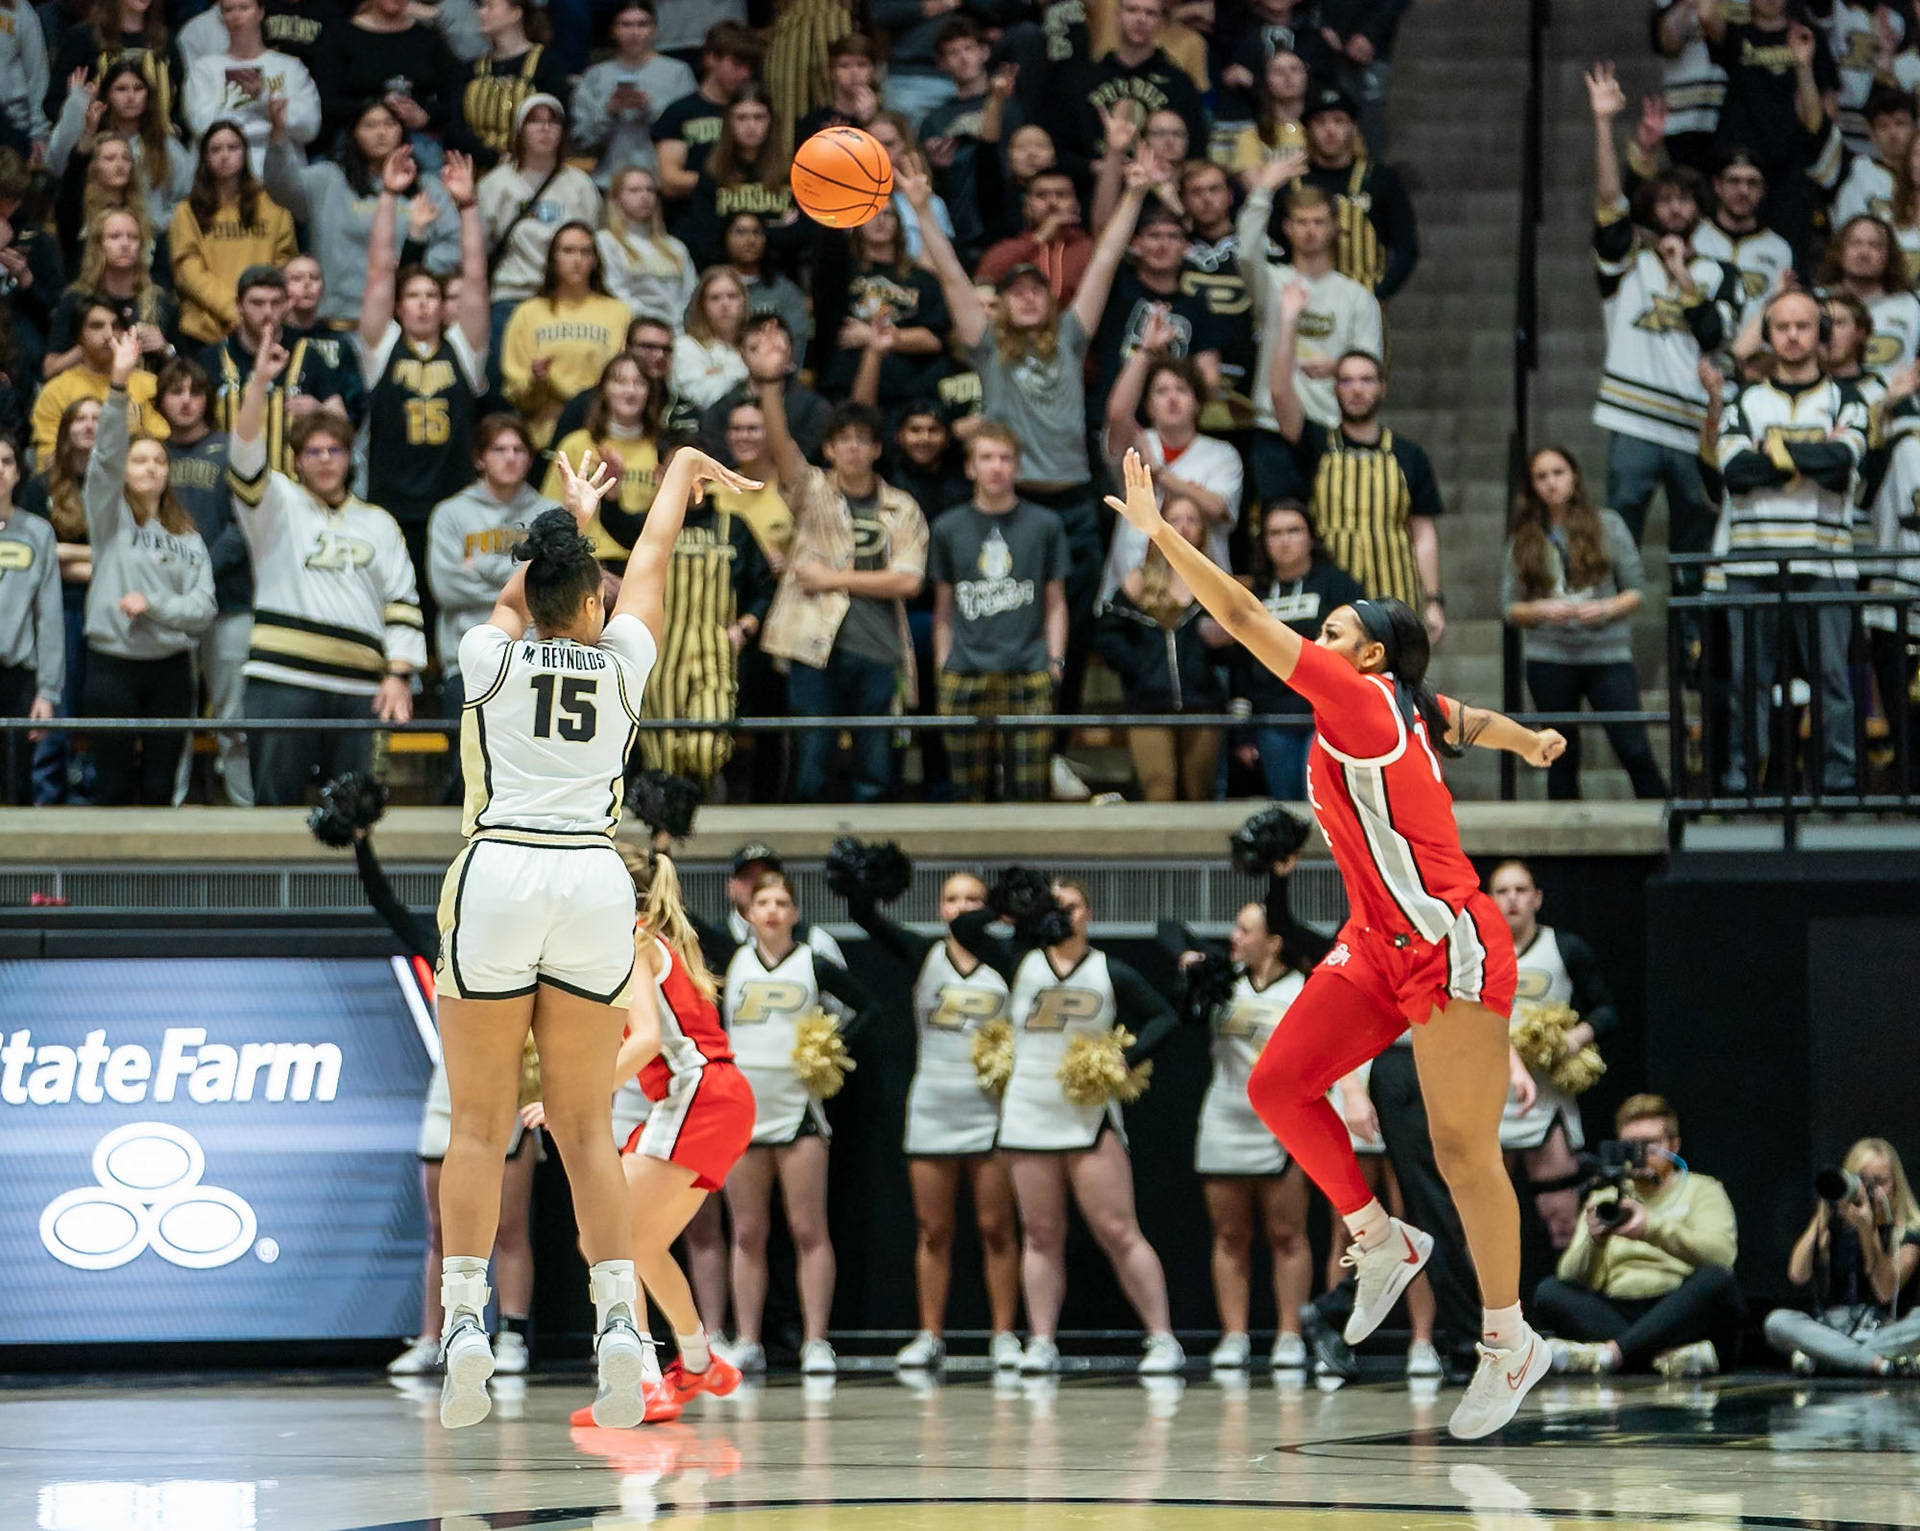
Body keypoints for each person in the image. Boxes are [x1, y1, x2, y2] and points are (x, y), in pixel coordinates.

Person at [1106, 447, 1568, 1438]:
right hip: (1375, 941)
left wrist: (1161, 536)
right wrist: (1525, 741)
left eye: (1332, 629)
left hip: (1450, 941)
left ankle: (1508, 1336)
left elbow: (1237, 617)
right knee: (1277, 1084)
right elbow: (1461, 714)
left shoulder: (1359, 701)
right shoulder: (1403, 702)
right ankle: (1378, 1236)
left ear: (1366, 657)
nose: (1313, 637)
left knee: (1459, 1147)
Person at [431, 441, 757, 1429]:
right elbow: (652, 558)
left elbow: (511, 599)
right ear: (592, 606)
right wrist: (681, 471)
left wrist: (561, 527)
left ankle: (463, 1327)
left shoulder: (491, 656)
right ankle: (621, 1319)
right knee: (584, 1127)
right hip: (589, 876)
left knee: (481, 1126)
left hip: (498, 871)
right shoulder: (623, 667)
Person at [907, 151, 1148, 706]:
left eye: (1038, 290)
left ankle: (1056, 737)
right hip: (1013, 506)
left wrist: (1133, 194)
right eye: (1017, 291)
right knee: (1011, 621)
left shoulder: (1070, 337)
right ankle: (1004, 728)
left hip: (1074, 503)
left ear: (1050, 298)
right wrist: (922, 208)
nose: (1029, 296)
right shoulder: (987, 346)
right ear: (1005, 303)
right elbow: (950, 276)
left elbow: (1106, 261)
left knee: (1075, 629)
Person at [952, 874, 1182, 1375]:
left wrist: (1128, 1057)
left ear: (1089, 914)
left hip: (1087, 1115)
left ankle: (1162, 1338)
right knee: (1039, 1234)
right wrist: (1010, 905)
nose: (1066, 914)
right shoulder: (1019, 961)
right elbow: (966, 931)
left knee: (1119, 1230)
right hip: (1028, 1111)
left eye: (1074, 906)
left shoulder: (1109, 970)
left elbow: (1163, 1015)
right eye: (1056, 907)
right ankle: (1041, 1342)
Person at [350, 819, 541, 1386]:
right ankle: (435, 1339)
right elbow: (386, 905)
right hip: (447, 1098)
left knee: (508, 1229)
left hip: (507, 1096)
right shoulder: (440, 950)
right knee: (440, 1231)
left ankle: (512, 1336)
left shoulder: (530, 959)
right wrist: (362, 842)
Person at [566, 842, 753, 1411]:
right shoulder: (664, 937)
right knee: (642, 1244)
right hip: (724, 1097)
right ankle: (697, 1363)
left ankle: (640, 1381)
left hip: (698, 1094)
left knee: (604, 1237)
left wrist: (579, 1095)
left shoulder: (633, 940)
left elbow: (647, 1038)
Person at [832, 853, 1021, 1371]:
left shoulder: (1010, 960)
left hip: (991, 1110)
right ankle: (930, 1334)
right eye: (953, 899)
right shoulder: (923, 952)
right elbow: (865, 916)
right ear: (940, 909)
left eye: (973, 899)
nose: (962, 908)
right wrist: (864, 883)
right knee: (933, 1231)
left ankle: (1004, 1334)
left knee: (997, 1228)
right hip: (934, 1107)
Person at [228, 324, 423, 804]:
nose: (324, 459)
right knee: (275, 810)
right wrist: (258, 386)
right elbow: (244, 452)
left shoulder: (379, 522)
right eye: (311, 451)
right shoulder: (275, 504)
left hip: (359, 690)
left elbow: (401, 601)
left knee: (355, 816)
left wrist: (398, 675)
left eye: (334, 449)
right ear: (296, 462)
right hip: (282, 683)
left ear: (349, 456)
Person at [756, 337, 927, 805]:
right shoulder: (812, 491)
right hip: (813, 646)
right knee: (812, 763)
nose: (852, 449)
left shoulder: (902, 507)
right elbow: (780, 443)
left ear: (876, 449)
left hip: (880, 647)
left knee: (876, 770)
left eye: (861, 440)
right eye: (843, 440)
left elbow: (908, 580)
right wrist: (771, 383)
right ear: (829, 448)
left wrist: (831, 578)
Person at [1584, 62, 1740, 564]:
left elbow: (1715, 335)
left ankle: (1693, 646)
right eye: (1666, 200)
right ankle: (1611, 638)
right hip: (1633, 420)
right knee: (1617, 547)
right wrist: (1606, 125)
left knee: (1694, 556)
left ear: (1700, 209)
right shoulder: (1626, 264)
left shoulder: (1721, 273)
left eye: (1685, 201)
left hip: (1697, 426)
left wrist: (1685, 277)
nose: (1674, 209)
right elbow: (1610, 202)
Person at [719, 868, 872, 1377]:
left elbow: (869, 1007)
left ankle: (816, 1341)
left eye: (783, 903)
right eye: (763, 902)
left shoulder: (813, 962)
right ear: (749, 912)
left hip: (800, 1113)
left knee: (809, 1229)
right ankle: (747, 1339)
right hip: (742, 1114)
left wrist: (830, 1049)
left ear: (795, 914)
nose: (772, 911)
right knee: (747, 1232)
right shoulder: (730, 960)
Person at [1715, 288, 1867, 796]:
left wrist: (1774, 452)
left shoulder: (1848, 398)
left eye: (1803, 326)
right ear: (1769, 334)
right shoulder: (1744, 401)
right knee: (1746, 685)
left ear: (1819, 333)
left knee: (1834, 683)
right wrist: (1807, 455)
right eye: (1782, 327)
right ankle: (1742, 786)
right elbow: (1735, 470)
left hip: (1827, 561)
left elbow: (1842, 463)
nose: (1793, 335)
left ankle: (1841, 785)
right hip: (1751, 562)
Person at [1166, 881, 1314, 1372]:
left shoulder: (1302, 987)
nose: (1233, 936)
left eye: (1244, 929)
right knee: (1230, 1235)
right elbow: (1168, 928)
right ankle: (1235, 1335)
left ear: (1273, 941)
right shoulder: (1222, 981)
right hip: (1225, 1116)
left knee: (1286, 1233)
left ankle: (1290, 1334)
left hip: (1282, 1123)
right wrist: (1190, 959)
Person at [81, 327, 215, 804]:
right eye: (139, 461)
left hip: (172, 670)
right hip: (112, 666)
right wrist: (117, 389)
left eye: (159, 460)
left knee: (161, 789)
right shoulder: (108, 517)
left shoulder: (189, 535)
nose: (151, 468)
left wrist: (155, 605)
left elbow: (203, 610)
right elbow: (105, 455)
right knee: (113, 788)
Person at [1268, 285, 1445, 635]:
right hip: (1331, 593)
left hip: (1397, 592)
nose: (1356, 389)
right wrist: (1288, 320)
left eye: (1366, 380)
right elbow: (1278, 392)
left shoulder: (1409, 454)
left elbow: (1423, 533)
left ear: (1383, 388)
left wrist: (1434, 600)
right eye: (1346, 381)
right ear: (1334, 389)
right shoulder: (1315, 443)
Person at [358, 146, 489, 596]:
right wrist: (389, 196)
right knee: (396, 604)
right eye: (412, 295)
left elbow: (475, 277)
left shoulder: (463, 348)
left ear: (443, 307)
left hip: (452, 504)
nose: (422, 303)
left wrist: (467, 205)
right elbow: (379, 270)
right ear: (398, 306)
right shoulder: (381, 347)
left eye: (431, 296)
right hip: (391, 503)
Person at [1536, 1093, 1743, 1378]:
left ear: (1674, 1145)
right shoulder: (1607, 1196)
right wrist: (1593, 1242)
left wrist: (1652, 1229)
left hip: (1676, 1305)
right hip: (1619, 1308)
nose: (1641, 1153)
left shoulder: (1703, 1189)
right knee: (1549, 1291)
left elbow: (1722, 1256)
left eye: (1651, 1144)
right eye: (1631, 1146)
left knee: (1718, 1282)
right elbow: (1569, 1276)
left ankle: (1612, 1355)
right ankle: (1659, 1356)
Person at [1501, 445, 1666, 800]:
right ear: (1532, 487)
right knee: (1560, 755)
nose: (1551, 483)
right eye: (1541, 477)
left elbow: (1636, 590)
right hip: (1549, 654)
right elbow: (1510, 606)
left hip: (1605, 652)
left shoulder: (1607, 524)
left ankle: (1671, 827)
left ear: (1574, 476)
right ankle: (1568, 843)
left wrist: (1606, 609)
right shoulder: (1525, 535)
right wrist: (1543, 609)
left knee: (1633, 747)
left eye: (1558, 473)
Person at [928, 425, 1069, 804]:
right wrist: (944, 666)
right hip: (965, 672)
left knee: (1028, 791)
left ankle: (1025, 865)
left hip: (1028, 669)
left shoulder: (1045, 525)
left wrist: (1054, 661)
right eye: (986, 458)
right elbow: (943, 607)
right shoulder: (947, 527)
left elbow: (1055, 601)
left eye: (1005, 458)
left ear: (1018, 466)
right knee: (966, 793)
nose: (996, 467)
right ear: (970, 467)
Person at [624, 436, 772, 792]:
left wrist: (743, 629)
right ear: (660, 474)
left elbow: (765, 586)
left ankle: (699, 795)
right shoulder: (652, 526)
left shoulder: (734, 527)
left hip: (714, 647)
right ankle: (674, 825)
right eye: (676, 470)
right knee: (662, 756)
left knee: (706, 747)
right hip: (662, 648)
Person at [1485, 860, 1620, 1252]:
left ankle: (1566, 1303)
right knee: (1483, 1219)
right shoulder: (1474, 953)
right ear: (1490, 901)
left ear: (1537, 898)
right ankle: (1484, 1311)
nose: (1512, 899)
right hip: (1489, 1097)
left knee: (1562, 1213)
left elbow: (1606, 1011)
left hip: (1546, 1096)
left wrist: (1571, 1041)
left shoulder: (1564, 947)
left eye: (1521, 890)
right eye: (1502, 891)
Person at [427, 412, 554, 776]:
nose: (510, 457)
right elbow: (447, 589)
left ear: (530, 458)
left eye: (518, 449)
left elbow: (552, 589)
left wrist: (482, 564)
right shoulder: (451, 513)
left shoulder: (548, 514)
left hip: (534, 661)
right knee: (468, 771)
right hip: (468, 666)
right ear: (480, 458)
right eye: (499, 449)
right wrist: (523, 578)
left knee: (527, 771)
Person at [264, 94, 463, 326]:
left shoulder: (427, 187)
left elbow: (454, 242)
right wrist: (277, 139)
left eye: (389, 124)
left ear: (402, 132)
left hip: (399, 320)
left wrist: (418, 270)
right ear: (354, 133)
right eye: (370, 125)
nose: (381, 133)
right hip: (336, 316)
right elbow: (280, 186)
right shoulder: (328, 178)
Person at [154, 356, 249, 806]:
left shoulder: (230, 449)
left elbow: (244, 524)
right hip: (167, 604)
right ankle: (171, 814)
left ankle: (248, 812)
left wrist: (202, 568)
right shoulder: (152, 455)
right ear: (161, 399)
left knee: (235, 719)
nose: (186, 401)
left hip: (230, 600)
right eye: (176, 391)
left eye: (194, 391)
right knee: (175, 717)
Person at [1094, 492, 1229, 801]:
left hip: (1203, 704)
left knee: (1199, 794)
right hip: (1148, 705)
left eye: (1192, 520)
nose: (1183, 528)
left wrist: (1223, 644)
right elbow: (1108, 638)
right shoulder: (1136, 582)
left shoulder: (1218, 584)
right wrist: (1140, 670)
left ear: (1203, 532)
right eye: (1175, 519)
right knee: (1159, 790)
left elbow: (1243, 648)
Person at [1230, 499, 1364, 801]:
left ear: (1311, 536)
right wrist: (1241, 732)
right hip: (1273, 718)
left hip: (1325, 717)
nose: (1284, 540)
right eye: (1274, 533)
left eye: (1293, 530)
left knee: (1323, 804)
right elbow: (1241, 667)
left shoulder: (1339, 586)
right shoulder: (1254, 596)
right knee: (1287, 806)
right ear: (1263, 541)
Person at [1764, 1138, 1920, 1375]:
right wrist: (1822, 1215)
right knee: (1777, 1322)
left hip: (1886, 1331)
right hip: (1834, 1328)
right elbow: (1797, 1275)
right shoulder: (1836, 1227)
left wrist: (1868, 1230)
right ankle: (1875, 1363)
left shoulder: (1909, 1234)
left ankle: (1833, 1358)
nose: (1872, 1190)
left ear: (1896, 1185)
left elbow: (1885, 1291)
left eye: (1881, 1182)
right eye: (1864, 1181)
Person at [479, 93, 602, 366]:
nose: (545, 129)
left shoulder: (580, 185)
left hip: (565, 299)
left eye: (552, 122)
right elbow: (479, 248)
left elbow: (592, 244)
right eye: (535, 122)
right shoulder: (496, 184)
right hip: (512, 295)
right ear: (519, 131)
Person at [202, 263, 353, 474]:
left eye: (275, 303)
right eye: (257, 303)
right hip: (228, 485)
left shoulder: (309, 355)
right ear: (238, 305)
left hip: (294, 488)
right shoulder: (211, 359)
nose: (267, 312)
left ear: (287, 304)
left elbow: (344, 426)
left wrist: (319, 411)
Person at [21, 396, 98, 803]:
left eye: (97, 418)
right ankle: (48, 793)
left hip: (108, 607)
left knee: (99, 703)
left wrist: (70, 554)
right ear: (66, 426)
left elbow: (124, 553)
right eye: (80, 418)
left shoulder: (117, 482)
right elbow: (39, 551)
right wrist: (98, 558)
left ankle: (93, 788)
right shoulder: (41, 484)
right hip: (59, 607)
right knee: (58, 700)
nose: (88, 425)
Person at [1282, 84, 1418, 302]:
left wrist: (1380, 294)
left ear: (1353, 127)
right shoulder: (1291, 183)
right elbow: (1273, 245)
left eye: (1338, 121)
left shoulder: (1380, 179)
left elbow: (1406, 248)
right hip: (1303, 302)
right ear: (1308, 129)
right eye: (1320, 122)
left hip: (1364, 300)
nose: (1330, 130)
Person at [169, 119, 297, 347]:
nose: (224, 155)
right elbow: (187, 271)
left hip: (265, 327)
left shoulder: (274, 207)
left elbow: (284, 264)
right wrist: (234, 311)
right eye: (215, 149)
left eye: (233, 147)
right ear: (204, 157)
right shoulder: (186, 212)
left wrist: (255, 310)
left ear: (245, 153)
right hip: (204, 333)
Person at [501, 219, 627, 449]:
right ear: (553, 259)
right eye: (568, 251)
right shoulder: (528, 313)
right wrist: (536, 380)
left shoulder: (618, 312)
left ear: (595, 260)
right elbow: (514, 390)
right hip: (544, 436)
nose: (577, 260)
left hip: (601, 435)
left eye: (585, 251)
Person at [542, 349, 664, 571]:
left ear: (650, 392)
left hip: (643, 568)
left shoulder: (660, 449)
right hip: (582, 564)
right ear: (604, 390)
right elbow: (550, 513)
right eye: (619, 381)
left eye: (640, 383)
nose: (630, 391)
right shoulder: (577, 444)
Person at [570, 0, 696, 189]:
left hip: (662, 182)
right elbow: (580, 140)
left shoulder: (678, 73)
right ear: (614, 30)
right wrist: (609, 111)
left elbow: (691, 132)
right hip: (608, 181)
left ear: (654, 29)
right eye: (626, 24)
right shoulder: (595, 76)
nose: (634, 32)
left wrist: (651, 110)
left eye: (642, 24)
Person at [182, 0, 320, 172]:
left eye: (244, 8)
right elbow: (201, 125)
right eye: (228, 10)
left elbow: (310, 127)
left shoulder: (289, 67)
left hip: (282, 175)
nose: (236, 16)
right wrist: (266, 113)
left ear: (261, 11)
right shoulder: (204, 69)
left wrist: (263, 98)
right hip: (223, 174)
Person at [0, 436, 63, 805]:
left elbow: (49, 616)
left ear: (18, 472)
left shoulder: (39, 532)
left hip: (17, 675)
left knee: (16, 786)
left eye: (6, 461)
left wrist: (48, 691)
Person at [676, 86, 797, 272]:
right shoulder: (711, 170)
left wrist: (735, 234)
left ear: (771, 121)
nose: (751, 126)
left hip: (779, 275)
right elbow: (703, 236)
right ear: (729, 121)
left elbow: (804, 234)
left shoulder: (791, 171)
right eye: (742, 117)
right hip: (723, 274)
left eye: (759, 117)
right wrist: (776, 231)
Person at [313, 0, 458, 150]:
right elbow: (327, 101)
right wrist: (376, 106)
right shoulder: (339, 35)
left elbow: (455, 97)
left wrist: (426, 117)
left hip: (416, 140)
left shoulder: (428, 38)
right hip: (353, 137)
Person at [32, 296, 162, 462]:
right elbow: (48, 462)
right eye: (96, 326)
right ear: (78, 336)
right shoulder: (55, 391)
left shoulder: (150, 385)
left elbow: (162, 447)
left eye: (115, 326)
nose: (109, 335)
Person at [444, 0, 566, 171]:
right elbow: (456, 130)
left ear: (515, 13)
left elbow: (555, 123)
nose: (481, 13)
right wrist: (494, 159)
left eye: (489, 7)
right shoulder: (468, 70)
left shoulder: (547, 64)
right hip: (475, 171)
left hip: (530, 171)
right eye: (480, 7)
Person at [651, 20, 761, 205]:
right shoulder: (681, 112)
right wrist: (723, 181)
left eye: (749, 67)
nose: (744, 74)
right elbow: (669, 179)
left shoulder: (757, 111)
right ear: (711, 58)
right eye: (737, 64)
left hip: (747, 215)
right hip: (693, 218)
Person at [1819, 214, 1920, 377]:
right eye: (1855, 243)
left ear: (1889, 255)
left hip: (1899, 400)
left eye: (1875, 245)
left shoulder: (1912, 305)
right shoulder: (1815, 302)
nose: (1864, 252)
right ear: (1840, 251)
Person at [596, 165, 694, 325]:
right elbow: (614, 291)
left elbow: (690, 293)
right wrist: (650, 324)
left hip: (678, 329)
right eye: (635, 190)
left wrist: (678, 323)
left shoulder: (676, 247)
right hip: (632, 328)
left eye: (650, 190)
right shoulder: (605, 242)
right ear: (616, 198)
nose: (645, 196)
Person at [669, 264, 748, 410]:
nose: (725, 304)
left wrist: (720, 374)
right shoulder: (686, 346)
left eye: (732, 296)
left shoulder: (755, 344)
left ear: (743, 301)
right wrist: (747, 373)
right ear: (702, 305)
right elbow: (705, 397)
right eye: (715, 298)